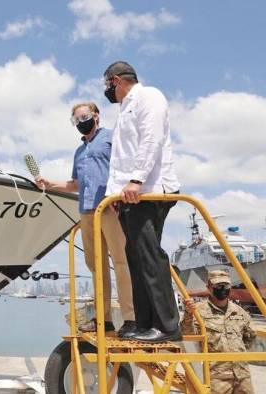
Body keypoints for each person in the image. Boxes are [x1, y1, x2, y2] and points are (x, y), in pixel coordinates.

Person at [36, 102, 135, 336]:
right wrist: (50, 184)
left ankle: (131, 319)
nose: (82, 123)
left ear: (96, 116)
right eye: (76, 120)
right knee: (96, 267)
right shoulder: (79, 152)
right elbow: (75, 184)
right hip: (87, 212)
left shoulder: (112, 138)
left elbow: (127, 168)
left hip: (111, 208)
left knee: (121, 263)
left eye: (85, 117)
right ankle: (105, 319)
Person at [102, 61, 181, 343]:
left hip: (149, 190)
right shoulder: (124, 111)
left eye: (107, 85)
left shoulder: (149, 96)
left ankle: (167, 326)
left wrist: (136, 179)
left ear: (116, 80)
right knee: (135, 256)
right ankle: (145, 323)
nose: (107, 91)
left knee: (148, 255)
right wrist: (114, 193)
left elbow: (152, 139)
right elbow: (120, 158)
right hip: (128, 197)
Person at [181, 270, 256, 394]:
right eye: (218, 286)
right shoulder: (198, 311)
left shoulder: (238, 311)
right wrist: (188, 314)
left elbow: (250, 335)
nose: (222, 289)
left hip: (242, 374)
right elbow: (188, 335)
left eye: (226, 286)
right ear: (209, 287)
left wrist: (238, 351)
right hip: (217, 376)